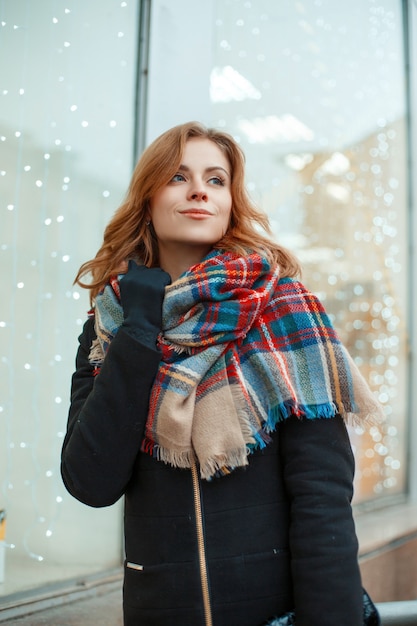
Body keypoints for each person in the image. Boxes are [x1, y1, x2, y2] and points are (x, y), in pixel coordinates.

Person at [61, 121, 382, 626]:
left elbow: (322, 498)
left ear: (231, 200)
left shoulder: (283, 311)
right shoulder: (112, 325)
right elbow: (90, 481)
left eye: (216, 179)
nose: (197, 191)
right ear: (147, 198)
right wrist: (141, 331)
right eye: (177, 176)